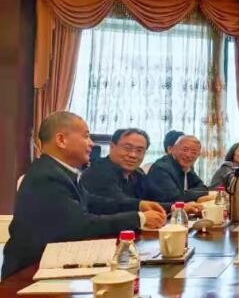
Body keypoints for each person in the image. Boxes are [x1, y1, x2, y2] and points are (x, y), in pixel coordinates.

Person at [2, 112, 166, 279]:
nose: (91, 143)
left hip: (53, 262)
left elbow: (93, 202)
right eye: (86, 136)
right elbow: (81, 225)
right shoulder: (46, 177)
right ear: (61, 140)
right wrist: (139, 218)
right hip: (28, 273)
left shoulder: (60, 171)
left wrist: (138, 205)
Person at [81, 128, 201, 215]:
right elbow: (121, 204)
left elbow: (153, 200)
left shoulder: (137, 173)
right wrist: (175, 207)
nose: (133, 155)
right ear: (112, 146)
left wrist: (178, 207)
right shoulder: (99, 172)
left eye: (139, 150)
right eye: (127, 148)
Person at [147, 135, 209, 203]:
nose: (188, 155)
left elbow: (203, 188)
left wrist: (184, 193)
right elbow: (176, 198)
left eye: (194, 152)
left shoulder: (187, 166)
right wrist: (185, 194)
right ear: (173, 149)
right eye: (185, 150)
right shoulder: (161, 168)